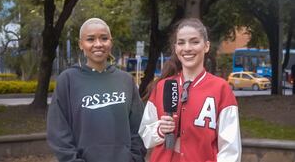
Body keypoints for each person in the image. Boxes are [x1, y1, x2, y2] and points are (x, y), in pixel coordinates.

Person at [138, 18, 241, 162]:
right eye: (181, 42)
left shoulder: (221, 88)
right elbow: (145, 135)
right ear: (175, 48)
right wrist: (160, 130)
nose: (187, 48)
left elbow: (230, 148)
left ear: (206, 46)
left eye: (194, 42)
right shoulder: (162, 87)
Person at [47, 18, 146, 162]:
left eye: (104, 38)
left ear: (111, 42)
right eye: (90, 39)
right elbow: (58, 131)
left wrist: (134, 158)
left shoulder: (125, 80)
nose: (98, 44)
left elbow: (139, 126)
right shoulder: (67, 80)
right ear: (81, 44)